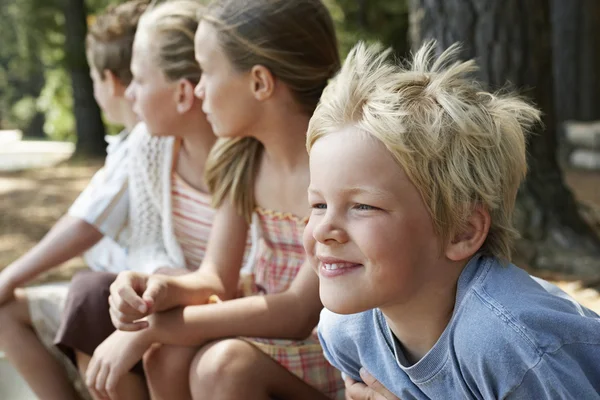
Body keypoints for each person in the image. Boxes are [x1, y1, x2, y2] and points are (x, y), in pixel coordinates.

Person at [307, 40, 600, 398]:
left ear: (462, 230)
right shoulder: (348, 330)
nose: (323, 230)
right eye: (318, 205)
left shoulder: (510, 347)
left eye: (363, 207)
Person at [95, 0, 345, 399]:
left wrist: (153, 327)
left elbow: (298, 312)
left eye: (207, 72)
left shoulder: (337, 167)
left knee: (223, 367)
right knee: (167, 356)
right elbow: (215, 279)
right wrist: (156, 289)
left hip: (331, 355)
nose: (198, 89)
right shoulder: (241, 159)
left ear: (260, 83)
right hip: (273, 339)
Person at [53, 1, 235, 399]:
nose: (129, 93)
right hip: (175, 298)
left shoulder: (245, 160)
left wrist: (168, 296)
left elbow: (247, 277)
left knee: (166, 353)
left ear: (184, 93)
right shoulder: (149, 146)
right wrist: (149, 285)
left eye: (137, 78)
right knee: (90, 296)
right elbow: (148, 244)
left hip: (226, 309)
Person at [0, 1, 147, 398]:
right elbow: (79, 214)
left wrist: (10, 276)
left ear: (109, 81)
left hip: (114, 300)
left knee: (84, 300)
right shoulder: (128, 145)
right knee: (13, 310)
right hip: (104, 294)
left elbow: (88, 223)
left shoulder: (145, 146)